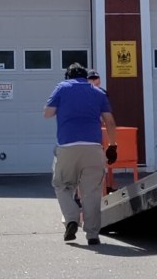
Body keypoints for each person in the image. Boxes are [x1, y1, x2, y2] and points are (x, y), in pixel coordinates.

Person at [44, 63, 117, 245]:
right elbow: (109, 121)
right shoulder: (98, 92)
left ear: (68, 76)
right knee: (91, 192)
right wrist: (112, 146)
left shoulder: (62, 87)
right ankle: (92, 234)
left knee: (62, 184)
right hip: (93, 147)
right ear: (86, 77)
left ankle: (71, 219)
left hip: (68, 146)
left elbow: (47, 113)